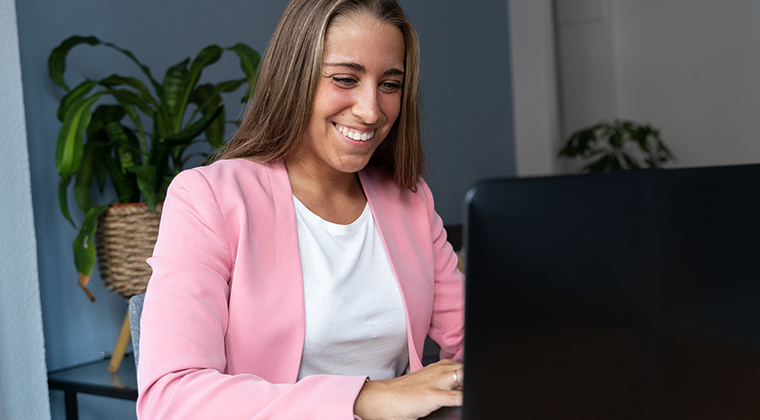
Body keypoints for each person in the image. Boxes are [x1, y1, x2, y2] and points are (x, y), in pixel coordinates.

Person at [136, 0, 464, 418]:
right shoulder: (209, 198)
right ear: (295, 76)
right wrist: (367, 398)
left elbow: (482, 340)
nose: (370, 110)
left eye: (390, 85)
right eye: (345, 79)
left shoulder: (409, 199)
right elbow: (171, 397)